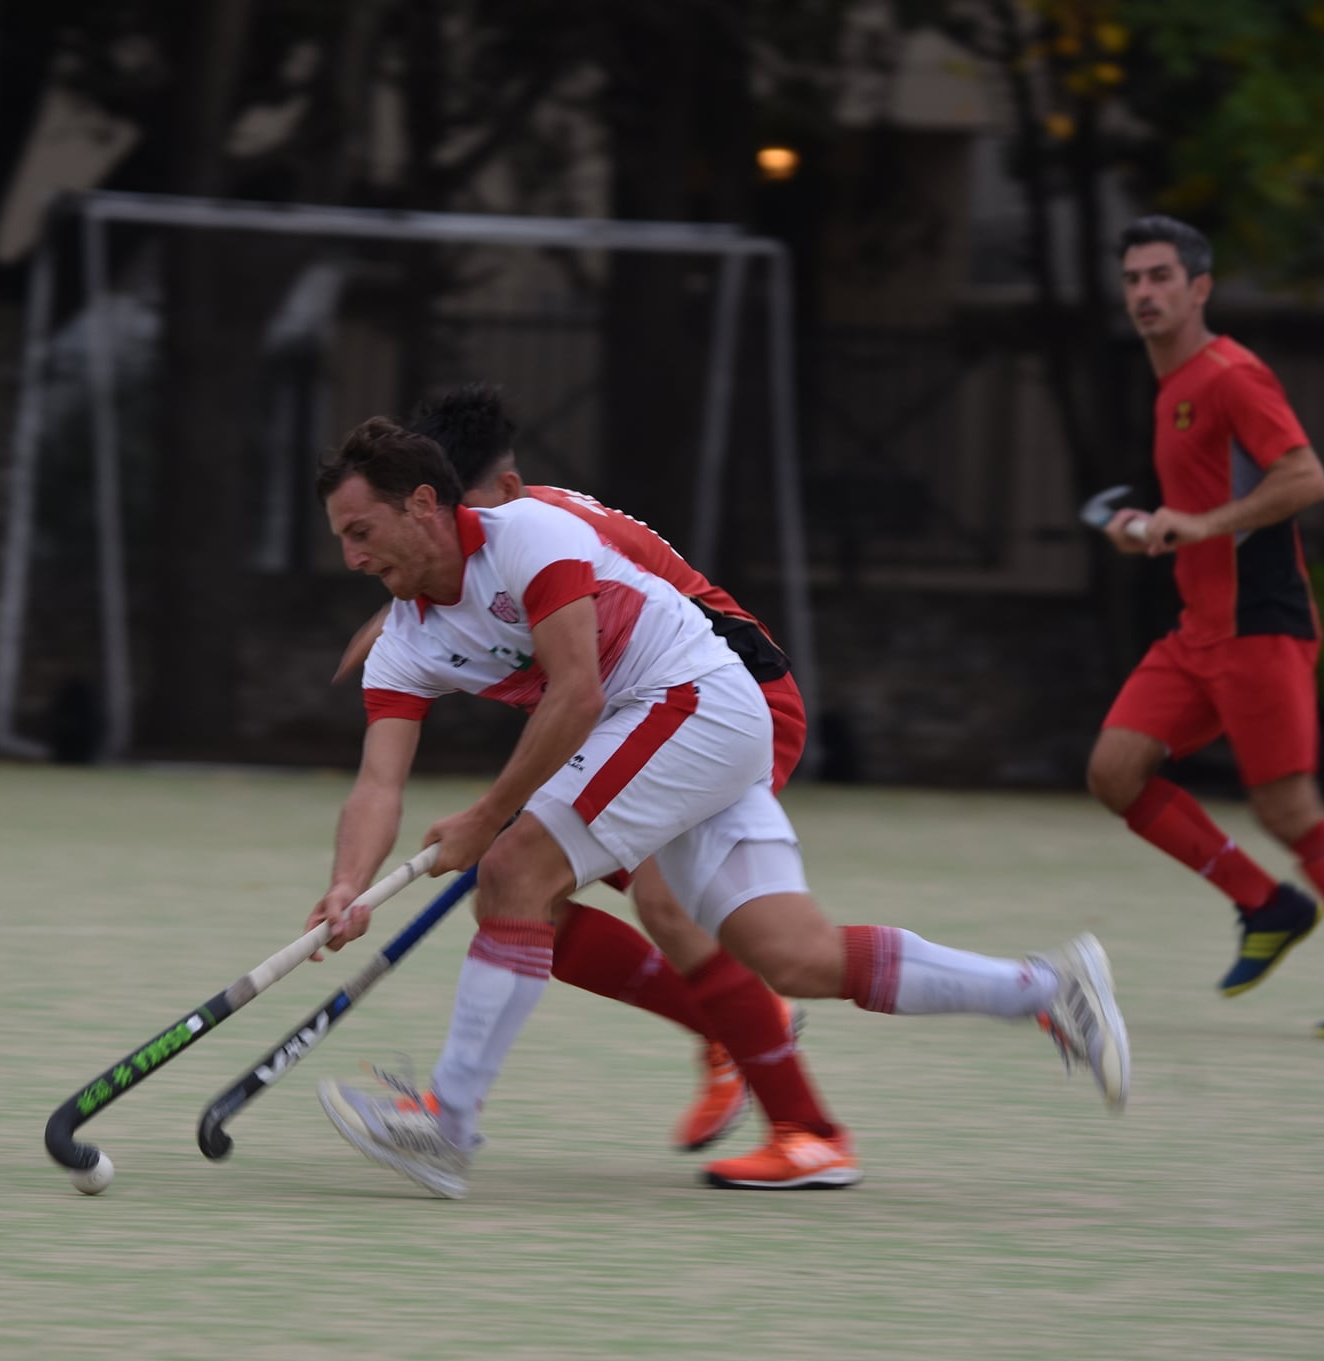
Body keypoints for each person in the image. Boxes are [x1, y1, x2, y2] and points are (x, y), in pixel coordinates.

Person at [307, 416, 1129, 1200]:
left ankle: (447, 1124)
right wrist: (348, 886)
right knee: (795, 956)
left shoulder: (529, 535)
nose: (348, 558)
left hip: (691, 699)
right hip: (685, 729)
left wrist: (490, 817)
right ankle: (1044, 988)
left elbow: (579, 693)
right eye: (342, 540)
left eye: (360, 531)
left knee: (515, 870)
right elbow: (379, 783)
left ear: (421, 504)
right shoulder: (406, 642)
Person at [334, 384, 815, 1165]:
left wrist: (495, 813)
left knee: (663, 899)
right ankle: (746, 1032)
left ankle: (773, 1070)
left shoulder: (548, 526)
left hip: (730, 694)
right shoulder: (452, 567)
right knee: (529, 899)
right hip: (622, 713)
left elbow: (587, 676)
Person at [1089, 215, 1324, 1039]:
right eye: (1133, 279)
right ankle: (1267, 904)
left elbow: (1308, 477)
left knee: (1290, 810)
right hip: (1199, 632)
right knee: (1114, 772)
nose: (1145, 293)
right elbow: (1197, 513)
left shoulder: (1233, 375)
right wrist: (1152, 527)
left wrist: (1207, 523)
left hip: (1261, 628)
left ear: (1200, 289)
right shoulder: (1173, 389)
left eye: (1161, 277)